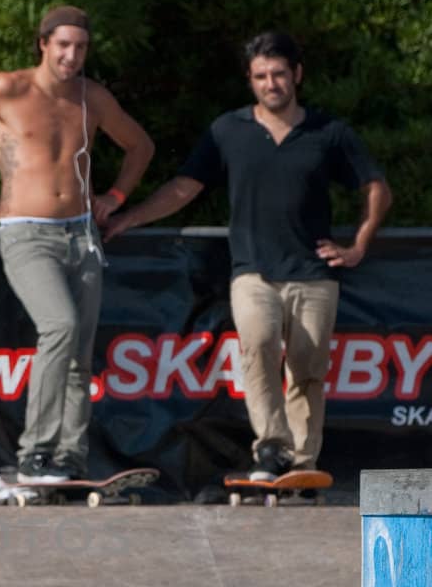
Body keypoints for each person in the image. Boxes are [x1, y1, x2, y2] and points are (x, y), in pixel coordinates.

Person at [104, 30, 392, 480]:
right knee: (257, 348)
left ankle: (302, 464)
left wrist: (359, 244)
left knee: (307, 370)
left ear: (297, 75)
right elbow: (184, 187)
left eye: (279, 74)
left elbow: (376, 187)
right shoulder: (228, 131)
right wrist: (128, 218)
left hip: (313, 272)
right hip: (252, 270)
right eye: (261, 76)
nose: (271, 83)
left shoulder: (328, 132)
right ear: (250, 80)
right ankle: (271, 448)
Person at [0, 5, 154, 484]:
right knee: (60, 325)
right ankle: (34, 450)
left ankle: (70, 456)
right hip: (27, 231)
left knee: (79, 349)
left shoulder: (90, 98)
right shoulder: (6, 89)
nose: (71, 56)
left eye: (80, 47)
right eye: (63, 45)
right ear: (43, 44)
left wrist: (114, 197)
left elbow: (141, 146)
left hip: (81, 232)